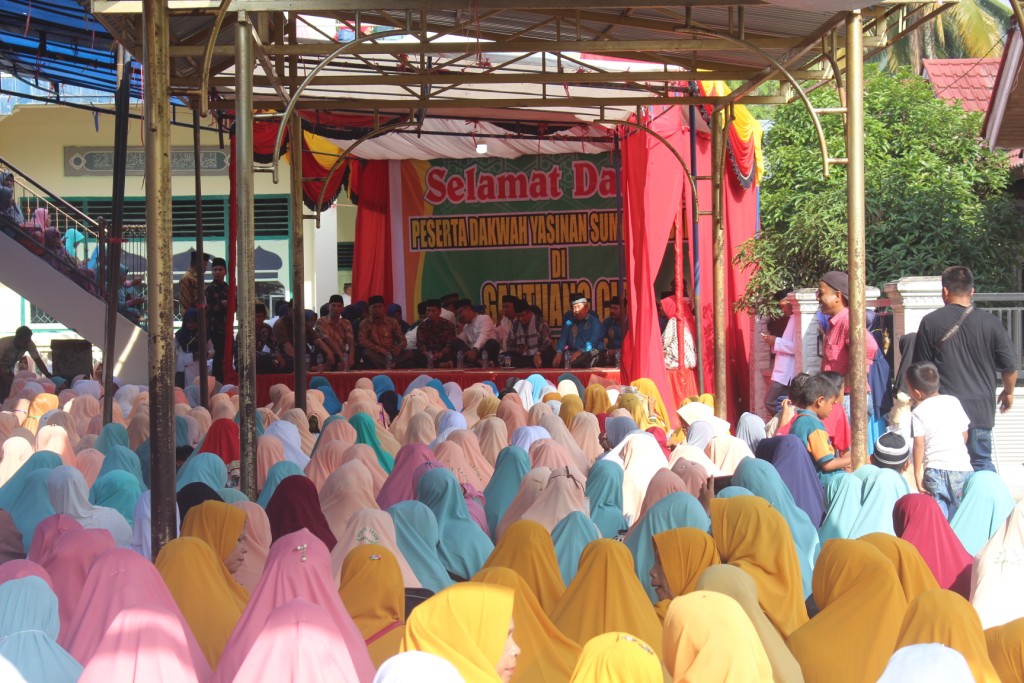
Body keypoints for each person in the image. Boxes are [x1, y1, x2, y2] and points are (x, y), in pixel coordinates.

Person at [913, 266, 1016, 472]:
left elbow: (921, 370)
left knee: (946, 468)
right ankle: (987, 503)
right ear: (972, 291)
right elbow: (1010, 367)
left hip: (945, 414)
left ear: (944, 291)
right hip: (981, 410)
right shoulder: (991, 323)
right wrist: (1009, 392)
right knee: (981, 462)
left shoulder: (930, 322)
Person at [905, 361, 973, 520]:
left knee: (938, 518)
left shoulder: (918, 412)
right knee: (962, 516)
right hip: (962, 467)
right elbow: (965, 435)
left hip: (934, 469)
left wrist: (917, 472)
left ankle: (940, 544)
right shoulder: (953, 401)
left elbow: (919, 444)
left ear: (916, 393)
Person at [817, 270, 878, 413]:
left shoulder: (848, 320)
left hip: (849, 400)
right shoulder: (835, 323)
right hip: (840, 399)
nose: (818, 298)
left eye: (821, 293)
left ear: (838, 296)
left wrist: (842, 387)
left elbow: (869, 347)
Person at [788, 373, 851, 484]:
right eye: (831, 403)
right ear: (820, 401)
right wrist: (855, 458)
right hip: (821, 480)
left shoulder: (799, 421)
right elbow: (827, 464)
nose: (832, 408)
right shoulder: (814, 426)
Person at [763, 289, 796, 416]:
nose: (783, 310)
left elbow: (795, 347)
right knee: (778, 401)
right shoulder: (791, 319)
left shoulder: (796, 319)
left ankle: (787, 420)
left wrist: (776, 341)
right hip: (783, 371)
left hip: (787, 373)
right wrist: (774, 342)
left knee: (770, 401)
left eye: (783, 306)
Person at [359, 295, 415, 369]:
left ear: (384, 308)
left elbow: (403, 340)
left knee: (410, 353)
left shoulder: (392, 322)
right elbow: (362, 341)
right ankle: (390, 365)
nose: (377, 309)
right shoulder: (364, 323)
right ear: (369, 309)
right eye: (374, 307)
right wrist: (380, 350)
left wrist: (399, 348)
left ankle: (388, 364)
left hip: (392, 354)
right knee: (366, 353)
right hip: (376, 353)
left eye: (380, 307)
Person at [553, 293, 605, 369]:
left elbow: (592, 342)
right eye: (574, 307)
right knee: (555, 359)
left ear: (586, 308)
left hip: (589, 351)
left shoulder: (594, 322)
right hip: (573, 352)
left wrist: (580, 351)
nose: (576, 310)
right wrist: (559, 352)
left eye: (579, 307)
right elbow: (563, 339)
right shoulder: (569, 323)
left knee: (581, 359)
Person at [0, 326, 51, 399]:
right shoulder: (3, 344)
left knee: (9, 392)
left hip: (9, 370)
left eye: (29, 341)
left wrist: (47, 374)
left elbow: (37, 360)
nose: (27, 344)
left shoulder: (29, 344)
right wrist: (5, 377)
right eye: (25, 342)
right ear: (18, 339)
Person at [234, 302, 284, 373]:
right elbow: (249, 353)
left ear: (264, 317)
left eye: (259, 316)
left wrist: (278, 356)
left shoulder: (266, 329)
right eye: (254, 316)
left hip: (260, 360)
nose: (256, 319)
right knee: (266, 361)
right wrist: (273, 356)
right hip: (243, 362)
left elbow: (275, 346)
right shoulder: (245, 331)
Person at [452, 299, 500, 367]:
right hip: (474, 355)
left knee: (492, 343)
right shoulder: (466, 327)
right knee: (455, 342)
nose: (459, 316)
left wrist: (474, 350)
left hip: (486, 352)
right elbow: (459, 341)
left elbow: (483, 335)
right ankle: (478, 361)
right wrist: (460, 327)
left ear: (468, 309)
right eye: (457, 315)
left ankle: (476, 362)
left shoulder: (484, 318)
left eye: (460, 312)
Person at [508, 299, 555, 369]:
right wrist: (517, 350)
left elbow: (547, 342)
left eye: (522, 315)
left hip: (537, 357)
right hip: (522, 358)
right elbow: (509, 345)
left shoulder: (540, 323)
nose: (520, 318)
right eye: (518, 316)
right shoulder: (515, 325)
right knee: (504, 357)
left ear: (529, 312)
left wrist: (538, 353)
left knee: (548, 356)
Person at [205, 257, 231, 383]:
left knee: (228, 355)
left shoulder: (229, 288)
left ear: (225, 272)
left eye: (220, 269)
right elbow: (212, 308)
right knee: (218, 356)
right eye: (215, 270)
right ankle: (217, 382)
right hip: (215, 329)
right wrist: (223, 304)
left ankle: (227, 380)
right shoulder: (209, 289)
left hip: (228, 327)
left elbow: (235, 305)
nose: (217, 272)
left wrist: (225, 303)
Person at [175, 308, 212, 389]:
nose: (191, 324)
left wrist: (205, 354)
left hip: (198, 368)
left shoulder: (204, 335)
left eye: (193, 321)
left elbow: (211, 350)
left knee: (197, 390)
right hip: (183, 369)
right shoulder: (180, 335)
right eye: (188, 322)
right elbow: (171, 349)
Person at [415, 299, 457, 368]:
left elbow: (449, 345)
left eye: (433, 311)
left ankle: (437, 365)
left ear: (439, 311)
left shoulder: (449, 325)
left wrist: (440, 354)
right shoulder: (422, 326)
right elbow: (420, 345)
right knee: (415, 354)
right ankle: (441, 365)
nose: (430, 314)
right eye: (428, 311)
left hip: (443, 354)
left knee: (453, 355)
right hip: (427, 355)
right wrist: (427, 354)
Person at [317, 294, 355, 370]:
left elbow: (350, 340)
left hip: (342, 355)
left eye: (338, 306)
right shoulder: (321, 321)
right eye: (333, 305)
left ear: (343, 309)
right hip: (327, 354)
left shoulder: (346, 322)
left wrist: (351, 356)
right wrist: (340, 354)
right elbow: (327, 339)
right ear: (329, 307)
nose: (335, 308)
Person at [601, 296, 626, 366]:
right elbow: (599, 338)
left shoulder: (629, 324)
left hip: (626, 357)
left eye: (615, 308)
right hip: (610, 358)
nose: (612, 311)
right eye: (611, 308)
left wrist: (616, 352)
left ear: (623, 309)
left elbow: (632, 347)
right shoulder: (608, 322)